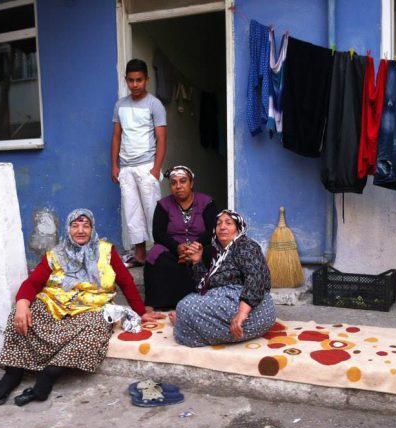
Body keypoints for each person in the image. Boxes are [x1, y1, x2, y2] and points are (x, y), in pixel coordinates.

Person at [0, 208, 165, 406]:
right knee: (21, 313)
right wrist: (22, 304)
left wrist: (141, 312)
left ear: (92, 229)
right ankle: (12, 374)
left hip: (91, 308)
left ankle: (47, 378)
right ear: (68, 229)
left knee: (97, 328)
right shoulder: (56, 254)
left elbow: (126, 282)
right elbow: (33, 283)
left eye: (86, 226)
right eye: (75, 226)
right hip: (54, 304)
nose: (80, 230)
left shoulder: (106, 251)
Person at [171, 210, 277, 347]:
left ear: (238, 228)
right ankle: (188, 324)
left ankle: (186, 325)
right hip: (229, 302)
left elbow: (256, 278)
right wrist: (197, 261)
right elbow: (204, 285)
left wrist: (241, 314)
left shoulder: (245, 245)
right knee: (186, 304)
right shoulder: (220, 255)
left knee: (185, 307)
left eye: (228, 223)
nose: (222, 227)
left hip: (252, 307)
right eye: (219, 223)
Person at [111, 58, 167, 268]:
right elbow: (116, 136)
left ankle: (159, 255)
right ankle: (140, 256)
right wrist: (115, 165)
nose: (135, 85)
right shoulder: (120, 105)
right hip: (126, 168)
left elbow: (162, 139)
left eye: (139, 80)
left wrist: (155, 169)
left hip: (147, 167)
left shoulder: (154, 104)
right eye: (131, 80)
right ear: (126, 80)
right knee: (132, 212)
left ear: (147, 80)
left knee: (153, 211)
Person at [144, 165, 217, 310]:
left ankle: (205, 300)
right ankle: (158, 302)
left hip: (201, 246)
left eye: (183, 181)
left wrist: (196, 246)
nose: (178, 186)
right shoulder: (163, 205)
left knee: (211, 254)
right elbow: (158, 234)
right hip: (174, 247)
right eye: (173, 183)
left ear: (191, 183)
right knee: (155, 255)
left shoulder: (207, 202)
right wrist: (177, 247)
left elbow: (213, 230)